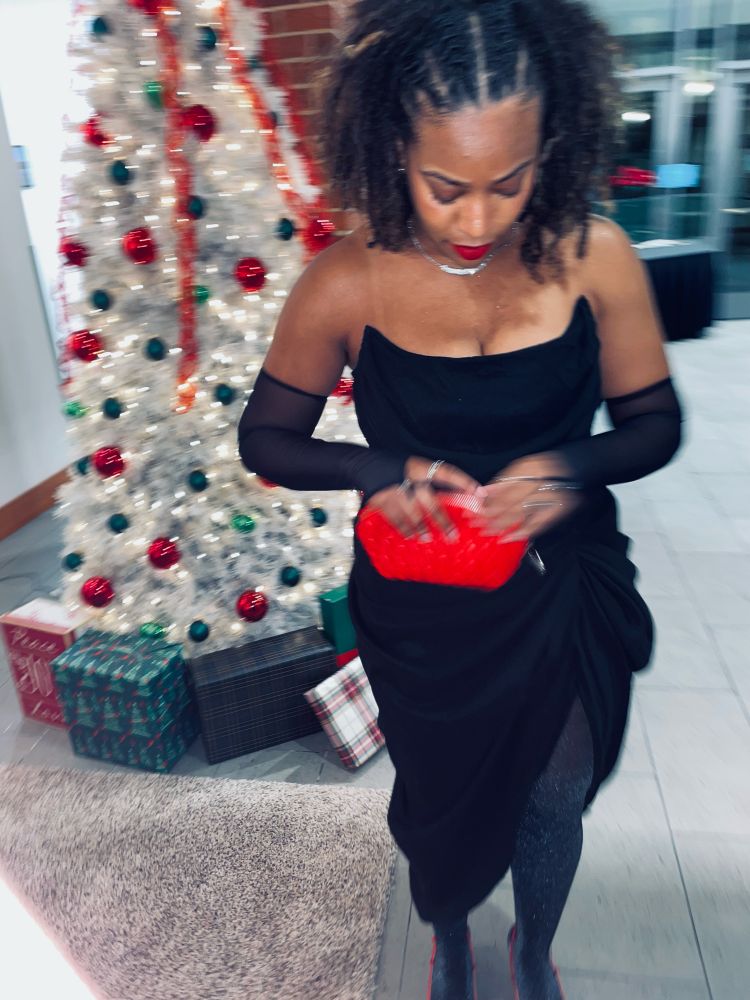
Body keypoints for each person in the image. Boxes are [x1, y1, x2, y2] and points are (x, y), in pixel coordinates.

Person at [237, 1, 684, 997]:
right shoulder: (344, 283)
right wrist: (373, 474)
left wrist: (566, 467)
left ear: (550, 144)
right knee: (440, 793)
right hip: (425, 605)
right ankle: (451, 938)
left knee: (557, 786)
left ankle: (533, 948)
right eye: (446, 186)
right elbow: (265, 438)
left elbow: (655, 425)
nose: (478, 219)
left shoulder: (593, 254)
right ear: (394, 144)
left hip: (559, 584)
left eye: (510, 182)